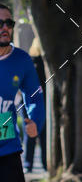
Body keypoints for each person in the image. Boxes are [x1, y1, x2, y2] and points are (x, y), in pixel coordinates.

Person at [0, 3, 45, 182]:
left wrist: (34, 121)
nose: (5, 27)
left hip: (6, 144)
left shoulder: (22, 60)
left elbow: (34, 96)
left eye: (8, 23)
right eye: (0, 23)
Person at [24, 37, 47, 172]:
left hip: (30, 102)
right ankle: (42, 163)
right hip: (39, 101)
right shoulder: (37, 63)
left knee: (31, 133)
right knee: (40, 133)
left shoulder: (30, 63)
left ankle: (29, 164)